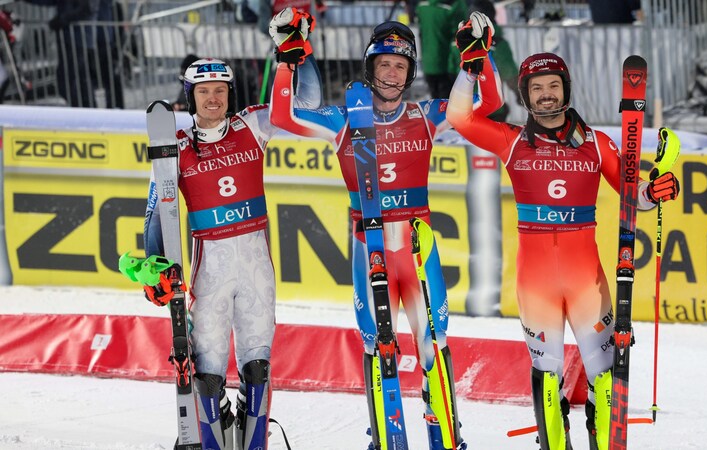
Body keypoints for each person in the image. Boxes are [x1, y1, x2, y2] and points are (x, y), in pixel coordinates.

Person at [269, 10, 501, 450]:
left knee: (435, 346)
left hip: (417, 250)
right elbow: (284, 117)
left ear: (410, 72)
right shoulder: (343, 119)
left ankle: (445, 439)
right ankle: (385, 438)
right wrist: (288, 58)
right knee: (379, 350)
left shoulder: (428, 114)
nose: (392, 74)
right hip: (368, 247)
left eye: (400, 66)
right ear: (370, 69)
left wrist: (477, 59)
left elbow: (486, 105)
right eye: (384, 65)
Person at [446, 21, 681, 450]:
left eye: (554, 85)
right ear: (526, 96)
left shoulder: (596, 143)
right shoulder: (510, 141)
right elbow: (459, 117)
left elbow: (636, 199)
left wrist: (657, 189)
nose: (546, 94)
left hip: (585, 279)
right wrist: (471, 67)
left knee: (606, 377)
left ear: (566, 89)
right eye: (536, 88)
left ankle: (599, 436)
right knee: (548, 380)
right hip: (535, 282)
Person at [142, 46, 321, 448]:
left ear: (229, 92)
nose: (212, 98)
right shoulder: (176, 144)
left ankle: (254, 441)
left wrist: (297, 56)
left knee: (258, 366)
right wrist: (155, 269)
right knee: (206, 370)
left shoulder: (252, 124)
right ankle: (215, 436)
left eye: (220, 89)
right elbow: (156, 212)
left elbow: (306, 102)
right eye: (203, 91)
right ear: (191, 97)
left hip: (256, 263)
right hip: (211, 268)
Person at [448, 0, 518, 122]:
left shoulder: (456, 44)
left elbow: (450, 73)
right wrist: (520, 95)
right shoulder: (499, 45)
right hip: (493, 110)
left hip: (464, 108)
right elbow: (510, 74)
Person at [416, 0, 468, 99]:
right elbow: (461, 34)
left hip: (428, 64)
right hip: (448, 65)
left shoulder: (422, 6)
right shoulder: (455, 5)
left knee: (435, 105)